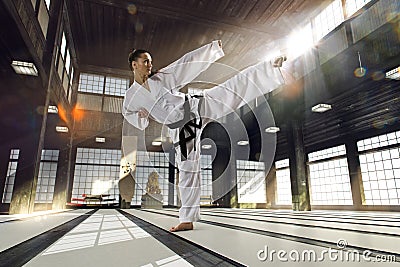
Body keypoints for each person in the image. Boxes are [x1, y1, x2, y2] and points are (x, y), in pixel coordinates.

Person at [123, 40, 289, 232]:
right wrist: (141, 118)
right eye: (145, 61)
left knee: (229, 91)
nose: (149, 65)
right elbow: (129, 114)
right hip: (182, 128)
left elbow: (186, 64)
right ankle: (187, 219)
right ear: (134, 64)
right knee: (187, 169)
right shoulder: (131, 97)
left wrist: (212, 50)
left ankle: (270, 68)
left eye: (150, 61)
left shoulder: (160, 78)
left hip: (193, 106)